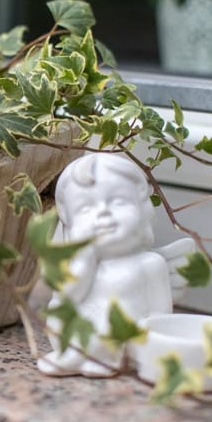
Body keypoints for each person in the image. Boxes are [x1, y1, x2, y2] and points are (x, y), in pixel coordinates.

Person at [38, 153, 178, 376]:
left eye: (118, 201)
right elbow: (67, 299)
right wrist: (85, 261)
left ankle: (85, 358)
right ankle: (77, 354)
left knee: (107, 325)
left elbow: (161, 316)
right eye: (85, 208)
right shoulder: (78, 264)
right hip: (83, 332)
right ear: (69, 222)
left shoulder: (149, 264)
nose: (103, 212)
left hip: (125, 339)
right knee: (58, 309)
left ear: (142, 211)